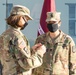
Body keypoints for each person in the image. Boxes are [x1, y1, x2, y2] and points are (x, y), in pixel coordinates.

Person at [0, 5, 46, 75]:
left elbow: (13, 55)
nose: (26, 22)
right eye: (26, 19)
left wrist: (31, 51)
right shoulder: (17, 36)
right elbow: (26, 63)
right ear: (19, 17)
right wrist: (39, 53)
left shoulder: (4, 35)